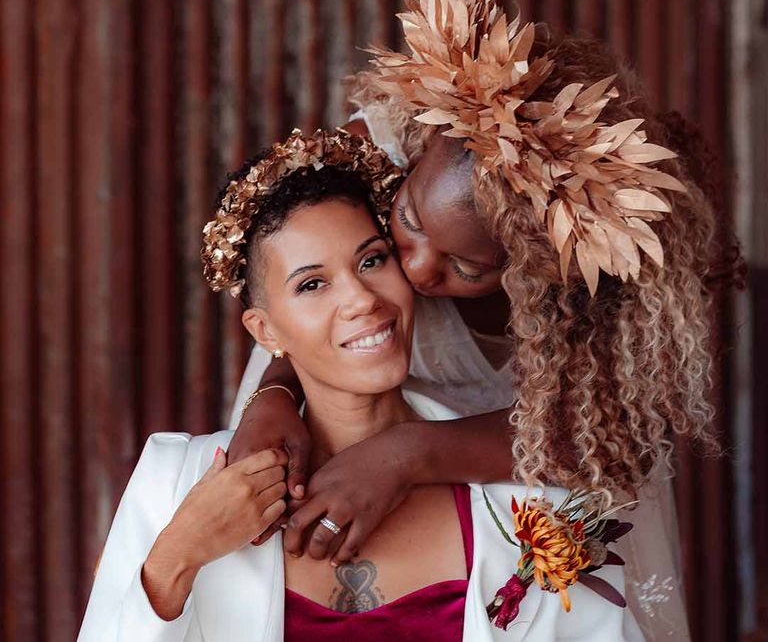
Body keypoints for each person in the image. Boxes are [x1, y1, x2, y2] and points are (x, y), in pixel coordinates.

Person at [226, 0, 739, 640]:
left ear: (541, 271)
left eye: (466, 268)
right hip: (359, 444)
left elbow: (604, 435)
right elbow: (303, 284)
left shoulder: (593, 270)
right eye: (405, 220)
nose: (413, 269)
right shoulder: (380, 148)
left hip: (536, 479)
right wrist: (273, 394)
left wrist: (409, 454)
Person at [77, 130, 640, 642]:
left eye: (371, 260)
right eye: (313, 283)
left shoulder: (537, 511)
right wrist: (176, 557)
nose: (362, 300)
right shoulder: (177, 483)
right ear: (265, 330)